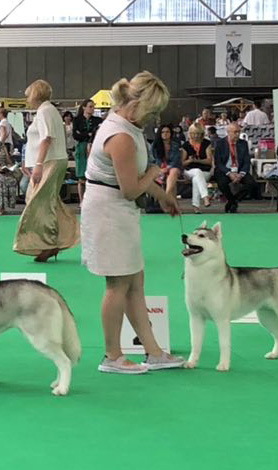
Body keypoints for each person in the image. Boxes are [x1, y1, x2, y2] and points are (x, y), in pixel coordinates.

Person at [81, 71, 184, 374]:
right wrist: (154, 172)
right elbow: (130, 188)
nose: (154, 118)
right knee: (117, 285)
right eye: (153, 111)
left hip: (120, 209)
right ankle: (112, 356)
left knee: (135, 282)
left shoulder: (129, 126)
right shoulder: (121, 136)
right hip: (109, 211)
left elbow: (134, 180)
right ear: (137, 104)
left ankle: (154, 352)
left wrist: (164, 197)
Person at [14, 80, 79, 262]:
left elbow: (46, 139)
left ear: (35, 94)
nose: (27, 99)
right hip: (53, 160)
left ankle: (48, 243)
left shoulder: (44, 111)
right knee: (47, 202)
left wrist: (39, 165)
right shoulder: (48, 110)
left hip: (50, 161)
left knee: (39, 203)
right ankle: (55, 240)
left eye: (28, 95)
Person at [214, 122, 259, 213]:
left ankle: (233, 201)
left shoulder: (243, 143)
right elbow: (218, 163)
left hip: (239, 170)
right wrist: (229, 173)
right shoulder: (220, 143)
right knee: (222, 183)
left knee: (251, 183)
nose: (237, 134)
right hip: (225, 170)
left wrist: (241, 174)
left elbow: (246, 161)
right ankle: (232, 201)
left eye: (239, 132)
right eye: (235, 132)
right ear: (228, 132)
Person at [181, 123, 214, 214]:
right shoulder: (186, 145)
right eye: (194, 133)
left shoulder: (206, 143)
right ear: (190, 133)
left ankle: (196, 206)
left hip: (205, 172)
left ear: (202, 134)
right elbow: (182, 163)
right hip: (188, 171)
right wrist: (190, 160)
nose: (196, 136)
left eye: (198, 133)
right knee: (197, 172)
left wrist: (198, 161)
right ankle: (205, 197)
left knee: (197, 177)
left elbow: (209, 161)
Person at [73, 99, 96, 204]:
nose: (92, 109)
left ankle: (91, 200)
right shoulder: (77, 120)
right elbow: (75, 135)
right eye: (90, 106)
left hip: (93, 147)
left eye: (93, 107)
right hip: (81, 148)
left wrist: (83, 134)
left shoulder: (97, 120)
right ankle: (82, 201)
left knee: (92, 174)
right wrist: (88, 134)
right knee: (81, 176)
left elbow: (96, 133)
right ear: (84, 107)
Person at [151, 124, 182, 199]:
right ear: (160, 134)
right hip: (159, 168)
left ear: (171, 133)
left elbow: (176, 161)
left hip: (172, 168)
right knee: (172, 184)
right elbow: (152, 160)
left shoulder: (175, 145)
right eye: (163, 132)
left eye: (167, 132)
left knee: (173, 171)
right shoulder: (154, 145)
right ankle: (172, 203)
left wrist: (167, 168)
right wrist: (160, 169)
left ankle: (166, 195)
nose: (165, 134)